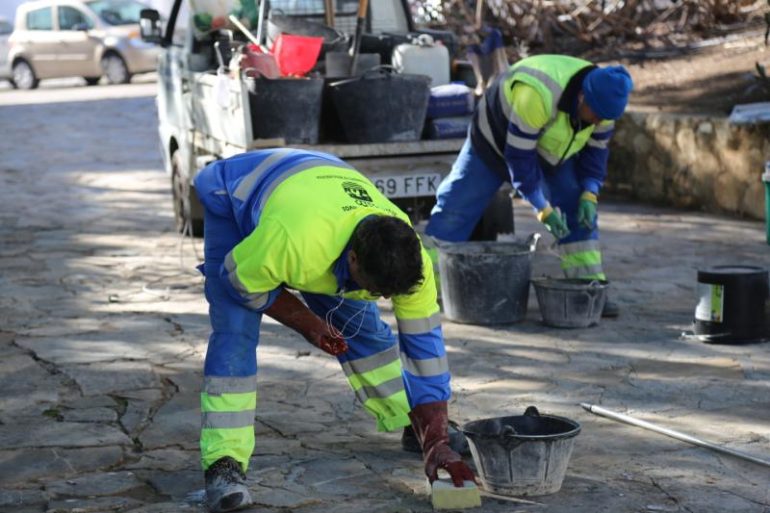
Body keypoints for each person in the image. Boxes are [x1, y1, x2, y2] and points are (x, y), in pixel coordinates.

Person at [193, 149, 476, 513]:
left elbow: (426, 353)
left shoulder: (411, 260)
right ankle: (224, 463)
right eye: (377, 290)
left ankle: (414, 424)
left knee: (365, 331)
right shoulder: (293, 243)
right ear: (354, 260)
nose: (385, 298)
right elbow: (238, 282)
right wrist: (308, 323)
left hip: (317, 191)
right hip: (233, 197)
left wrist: (435, 436)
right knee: (236, 334)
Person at [425, 54, 634, 317]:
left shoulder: (604, 107)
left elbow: (596, 154)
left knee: (575, 203)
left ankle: (589, 290)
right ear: (582, 96)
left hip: (552, 151)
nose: (597, 122)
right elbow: (520, 160)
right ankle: (424, 286)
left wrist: (590, 193)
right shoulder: (538, 95)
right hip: (493, 141)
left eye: (603, 118)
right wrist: (542, 209)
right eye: (595, 115)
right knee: (456, 207)